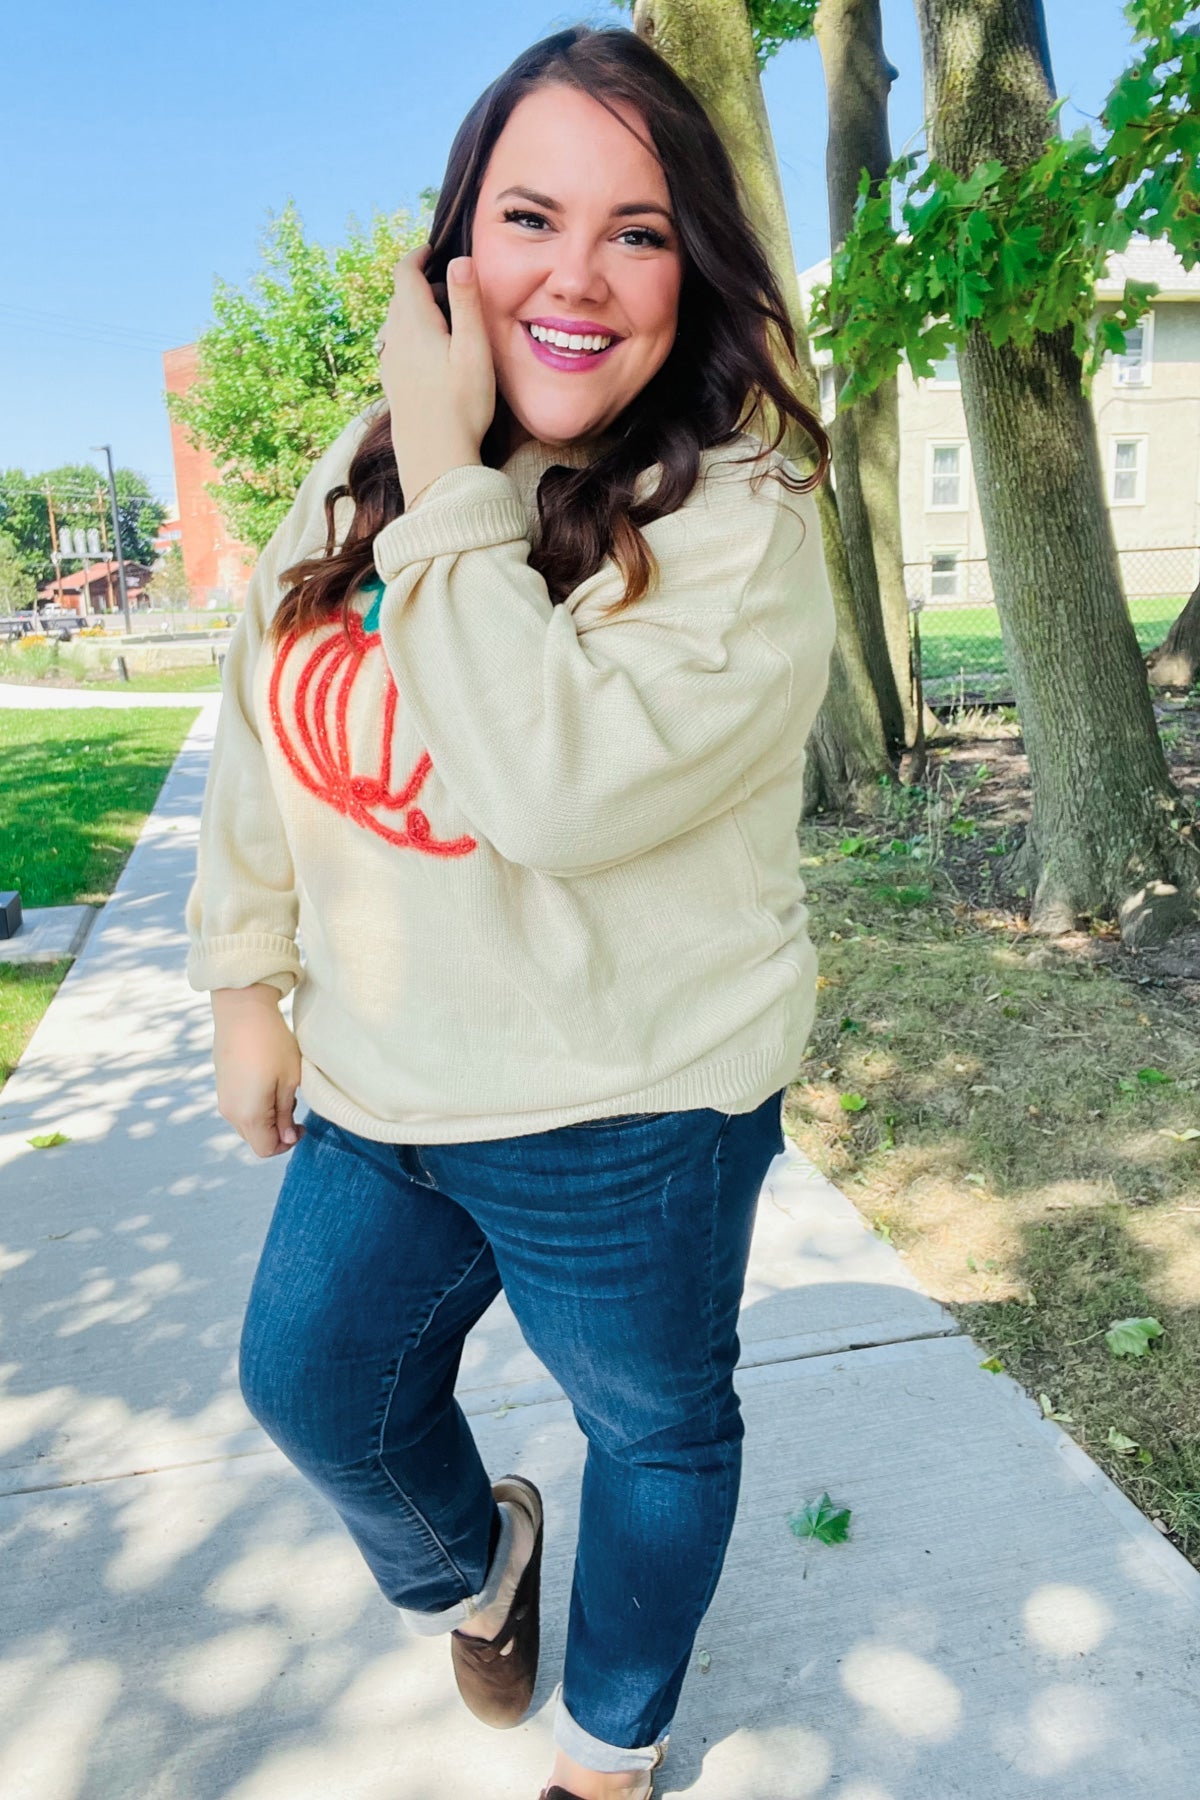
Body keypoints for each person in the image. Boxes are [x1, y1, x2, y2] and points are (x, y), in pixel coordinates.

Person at [185, 22, 835, 1800]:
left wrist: (456, 472)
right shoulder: (374, 451)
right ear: (451, 253)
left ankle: (610, 1751)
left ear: (691, 268)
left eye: (638, 231)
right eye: (529, 215)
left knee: (656, 1430)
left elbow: (552, 793)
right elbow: (269, 714)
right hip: (389, 1085)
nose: (578, 274)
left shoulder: (744, 513)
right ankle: (483, 1568)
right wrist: (250, 974)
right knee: (316, 1388)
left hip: (628, 1108)